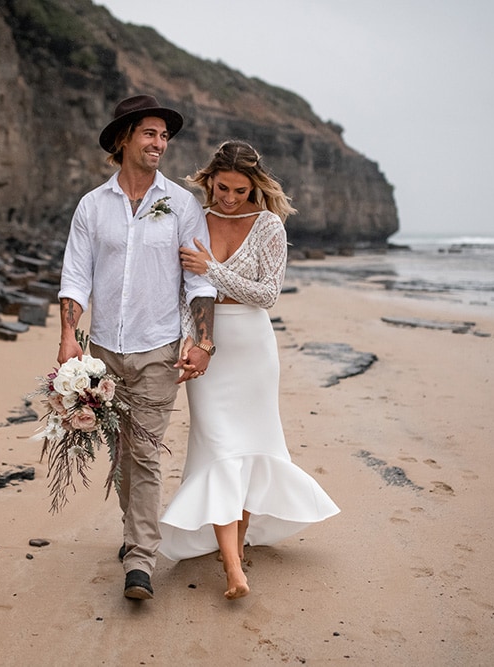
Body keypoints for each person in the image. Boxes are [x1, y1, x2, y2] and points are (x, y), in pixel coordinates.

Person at [159, 140, 340, 600]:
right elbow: (185, 287)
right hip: (208, 345)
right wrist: (193, 337)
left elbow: (267, 294)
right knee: (220, 449)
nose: (229, 198)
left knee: (249, 449)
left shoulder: (268, 227)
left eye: (240, 190)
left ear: (254, 186)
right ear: (210, 179)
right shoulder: (194, 217)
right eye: (222, 188)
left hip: (253, 349)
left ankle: (234, 552)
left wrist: (214, 269)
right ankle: (235, 569)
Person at [57, 95, 218, 601]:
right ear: (125, 137)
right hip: (102, 351)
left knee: (145, 453)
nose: (159, 144)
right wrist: (67, 337)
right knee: (120, 453)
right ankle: (136, 534)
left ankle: (140, 559)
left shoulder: (182, 205)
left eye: (164, 136)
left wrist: (203, 340)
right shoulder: (92, 205)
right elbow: (76, 276)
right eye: (150, 133)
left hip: (158, 348)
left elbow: (199, 281)